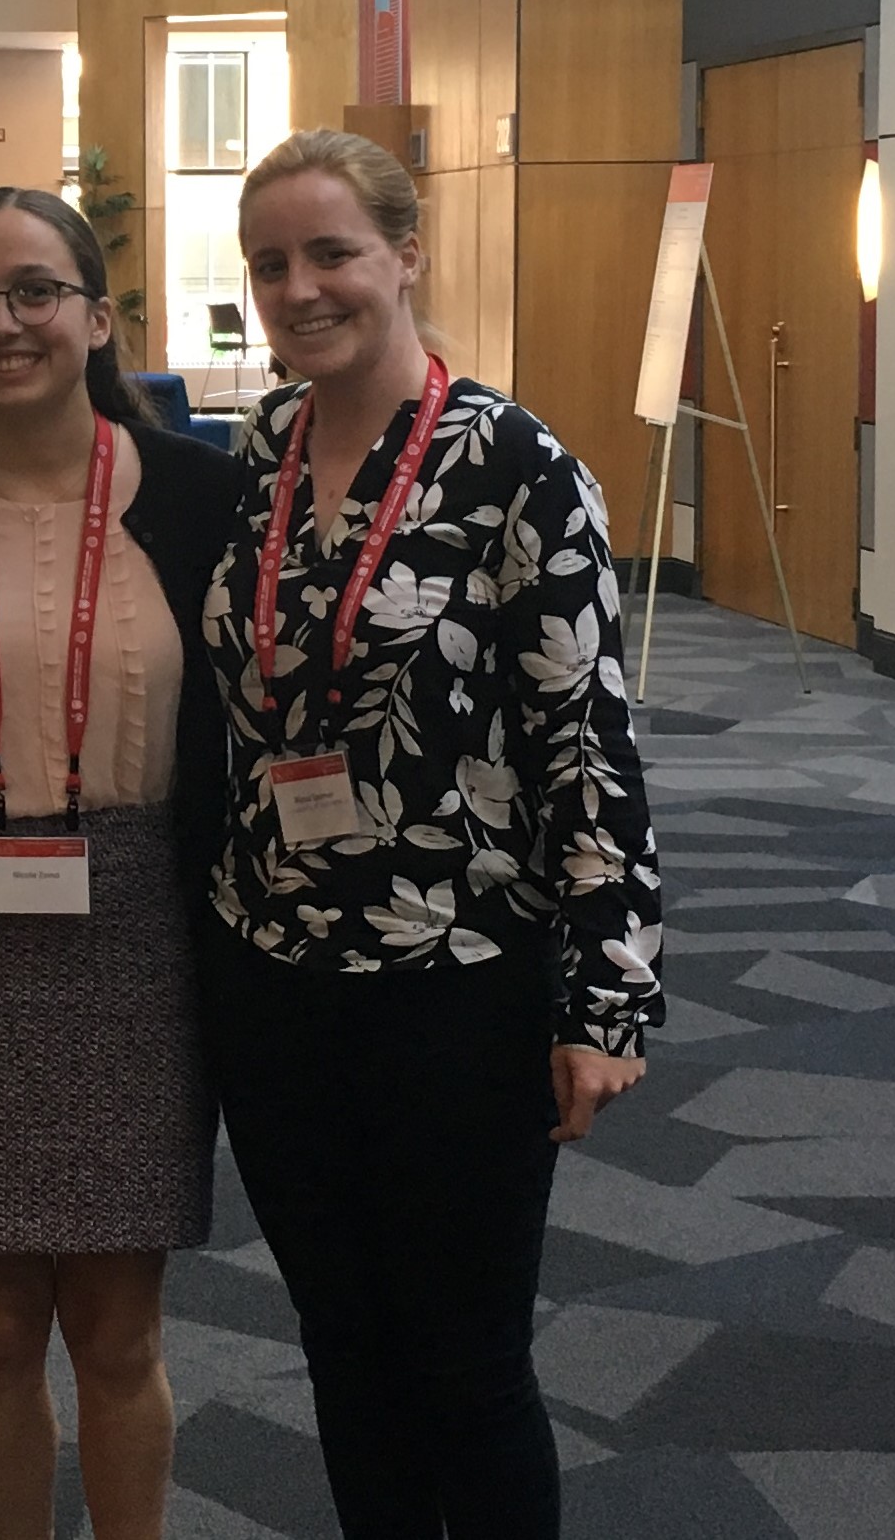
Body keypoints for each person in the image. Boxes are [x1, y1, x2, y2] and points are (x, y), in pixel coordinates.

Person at [199, 128, 663, 1540]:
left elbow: (588, 744)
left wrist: (608, 1000)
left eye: (332, 252)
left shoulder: (517, 466)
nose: (300, 286)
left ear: (408, 252)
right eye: (271, 262)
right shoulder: (264, 444)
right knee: (343, 1343)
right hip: (274, 971)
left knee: (462, 1361)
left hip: (455, 976)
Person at [0, 187, 239, 1540]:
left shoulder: (198, 497)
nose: (2, 322)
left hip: (137, 930)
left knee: (118, 1329)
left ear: (96, 313)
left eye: (34, 291)